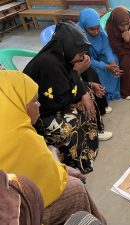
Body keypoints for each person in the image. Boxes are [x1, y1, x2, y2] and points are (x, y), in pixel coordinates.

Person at [0, 70, 107, 225]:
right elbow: (49, 182)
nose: (39, 104)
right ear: (18, 102)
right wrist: (59, 163)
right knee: (75, 187)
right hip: (22, 214)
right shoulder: (22, 138)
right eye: (35, 101)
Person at [23, 22, 113, 174]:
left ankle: (91, 138)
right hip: (40, 113)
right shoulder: (49, 63)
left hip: (57, 100)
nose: (83, 57)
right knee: (68, 125)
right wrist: (78, 74)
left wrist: (86, 87)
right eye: (79, 54)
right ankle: (76, 160)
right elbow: (58, 99)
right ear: (68, 49)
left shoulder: (63, 56)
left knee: (87, 97)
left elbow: (67, 84)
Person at [78, 8, 122, 101]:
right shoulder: (78, 35)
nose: (96, 31)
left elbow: (106, 48)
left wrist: (112, 62)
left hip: (98, 56)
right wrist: (105, 66)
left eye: (98, 27)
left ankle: (112, 91)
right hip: (86, 61)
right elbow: (87, 59)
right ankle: (102, 93)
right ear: (84, 26)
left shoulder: (100, 32)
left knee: (114, 58)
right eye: (92, 29)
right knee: (94, 69)